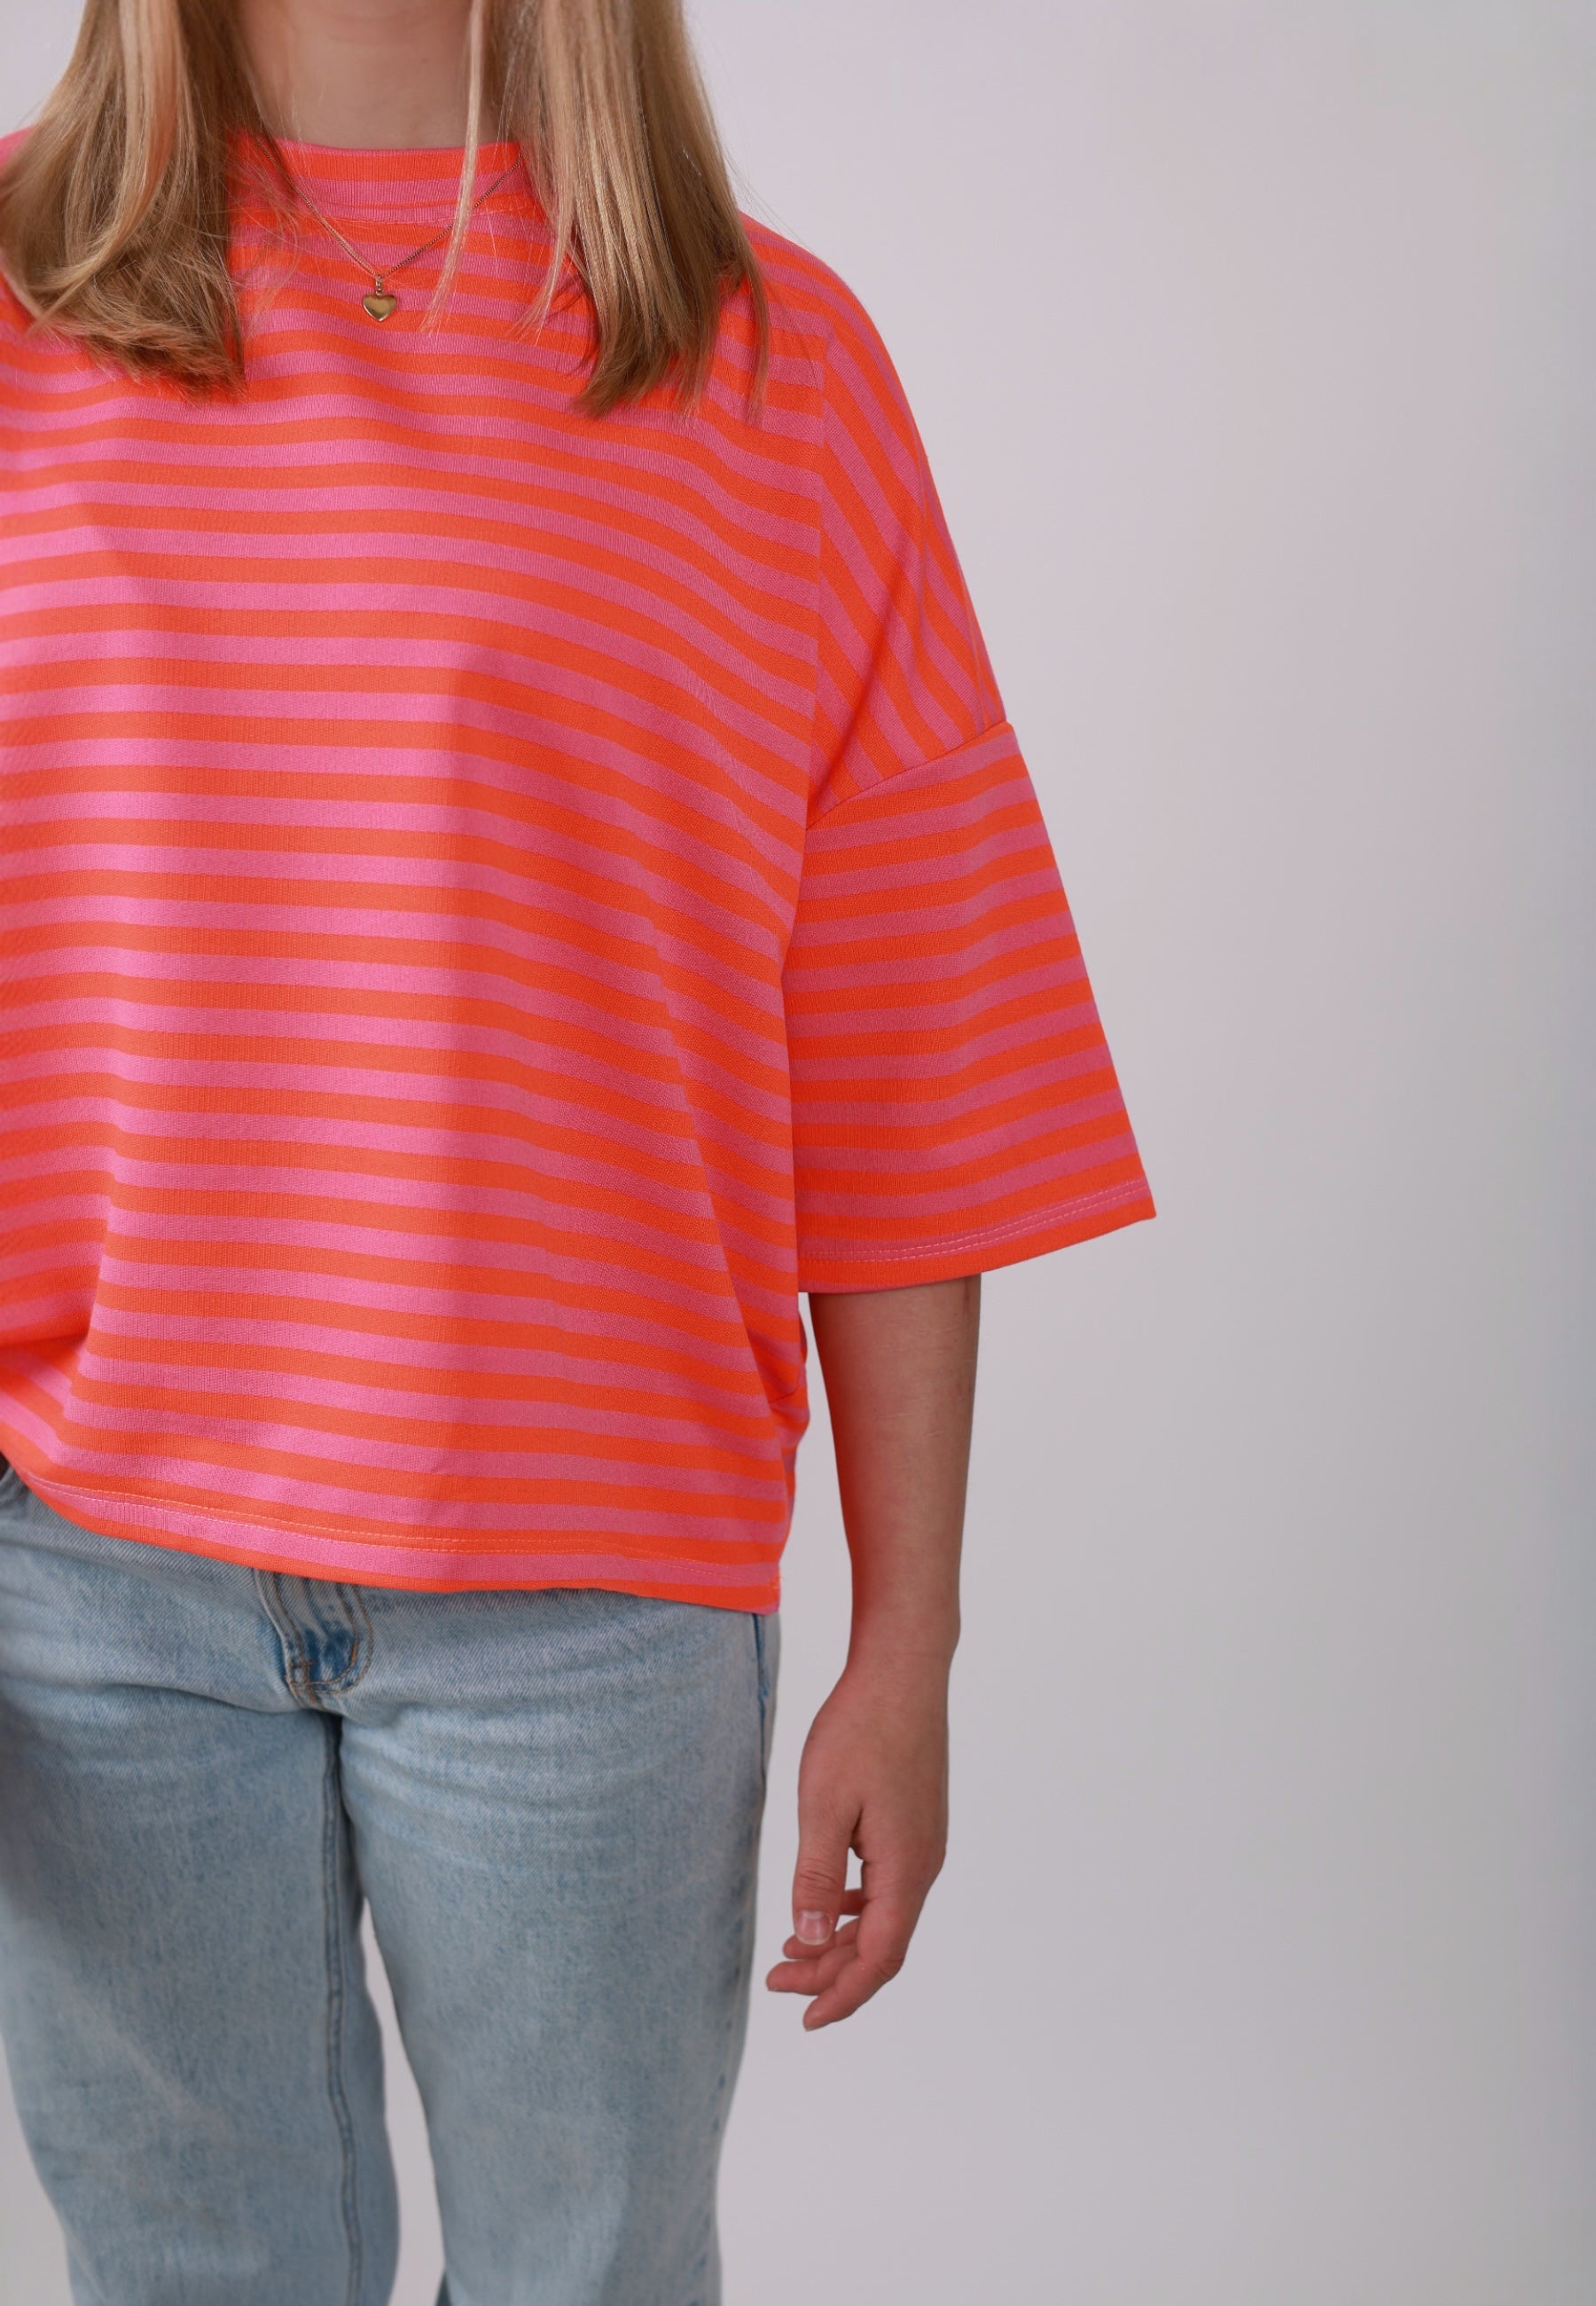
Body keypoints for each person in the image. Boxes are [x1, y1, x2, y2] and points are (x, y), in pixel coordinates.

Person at [0, 1, 1155, 2299]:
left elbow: (906, 1054)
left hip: (593, 1592)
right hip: (93, 1575)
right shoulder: (21, 314)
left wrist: (908, 1640)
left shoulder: (773, 368)